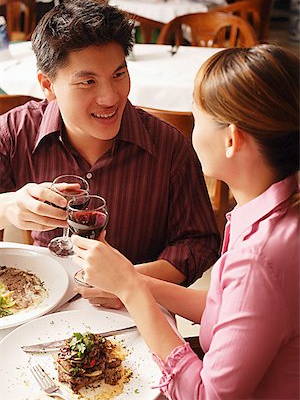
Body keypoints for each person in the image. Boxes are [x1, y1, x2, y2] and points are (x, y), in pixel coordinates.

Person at [72, 44, 299, 399]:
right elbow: (229, 309)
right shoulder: (275, 213)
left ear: (231, 139)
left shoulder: (261, 257)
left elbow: (207, 395)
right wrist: (130, 281)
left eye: (197, 119)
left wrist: (132, 291)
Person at [0, 0, 220, 308]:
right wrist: (6, 206)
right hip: (42, 303)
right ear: (47, 85)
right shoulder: (16, 131)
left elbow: (199, 243)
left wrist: (131, 284)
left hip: (137, 315)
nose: (109, 97)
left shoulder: (168, 145)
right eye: (88, 81)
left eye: (118, 74)